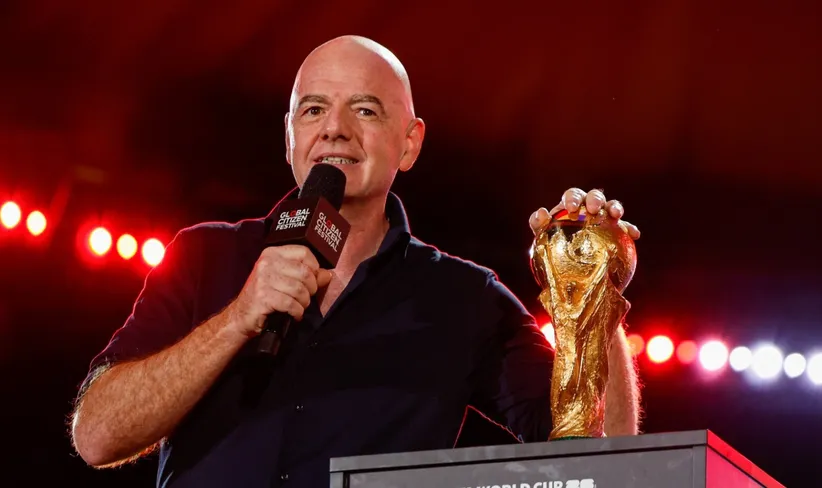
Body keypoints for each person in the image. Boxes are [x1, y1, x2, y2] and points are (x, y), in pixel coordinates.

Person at [69, 35, 642, 488]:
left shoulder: (466, 301)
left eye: (365, 110)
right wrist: (239, 318)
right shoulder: (204, 256)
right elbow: (96, 436)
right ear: (290, 137)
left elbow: (602, 456)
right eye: (313, 109)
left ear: (409, 143)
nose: (334, 129)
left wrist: (596, 297)